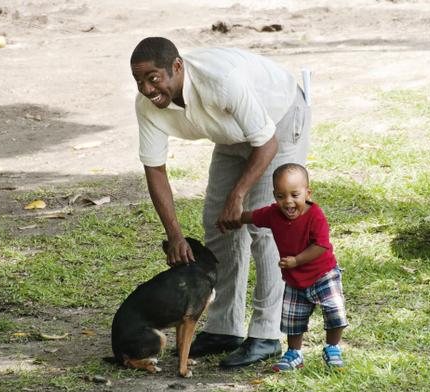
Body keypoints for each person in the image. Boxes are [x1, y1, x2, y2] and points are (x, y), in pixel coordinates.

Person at [130, 37, 311, 368]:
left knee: (264, 228)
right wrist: (174, 234)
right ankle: (223, 329)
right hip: (231, 133)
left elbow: (266, 143)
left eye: (153, 77)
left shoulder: (221, 81)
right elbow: (155, 170)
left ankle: (266, 335)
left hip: (279, 120)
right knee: (219, 225)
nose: (146, 88)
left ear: (177, 67)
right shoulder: (148, 106)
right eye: (139, 80)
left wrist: (238, 194)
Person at [235, 163, 348, 371]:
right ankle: (294, 354)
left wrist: (296, 260)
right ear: (275, 195)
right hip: (295, 280)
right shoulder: (273, 214)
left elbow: (321, 245)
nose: (288, 202)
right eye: (280, 196)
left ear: (307, 193)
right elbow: (252, 216)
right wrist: (234, 218)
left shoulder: (315, 216)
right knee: (293, 319)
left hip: (323, 274)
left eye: (295, 195)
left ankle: (333, 348)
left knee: (334, 311)